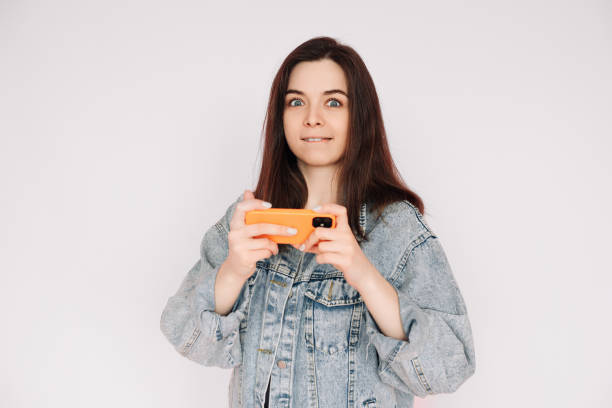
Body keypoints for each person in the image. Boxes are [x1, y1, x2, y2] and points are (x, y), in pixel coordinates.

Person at [160, 36, 475, 408]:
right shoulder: (248, 221)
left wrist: (362, 272)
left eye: (333, 102)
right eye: (296, 102)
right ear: (281, 117)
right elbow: (185, 336)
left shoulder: (396, 228)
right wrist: (233, 270)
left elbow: (450, 366)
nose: (313, 117)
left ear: (359, 116)